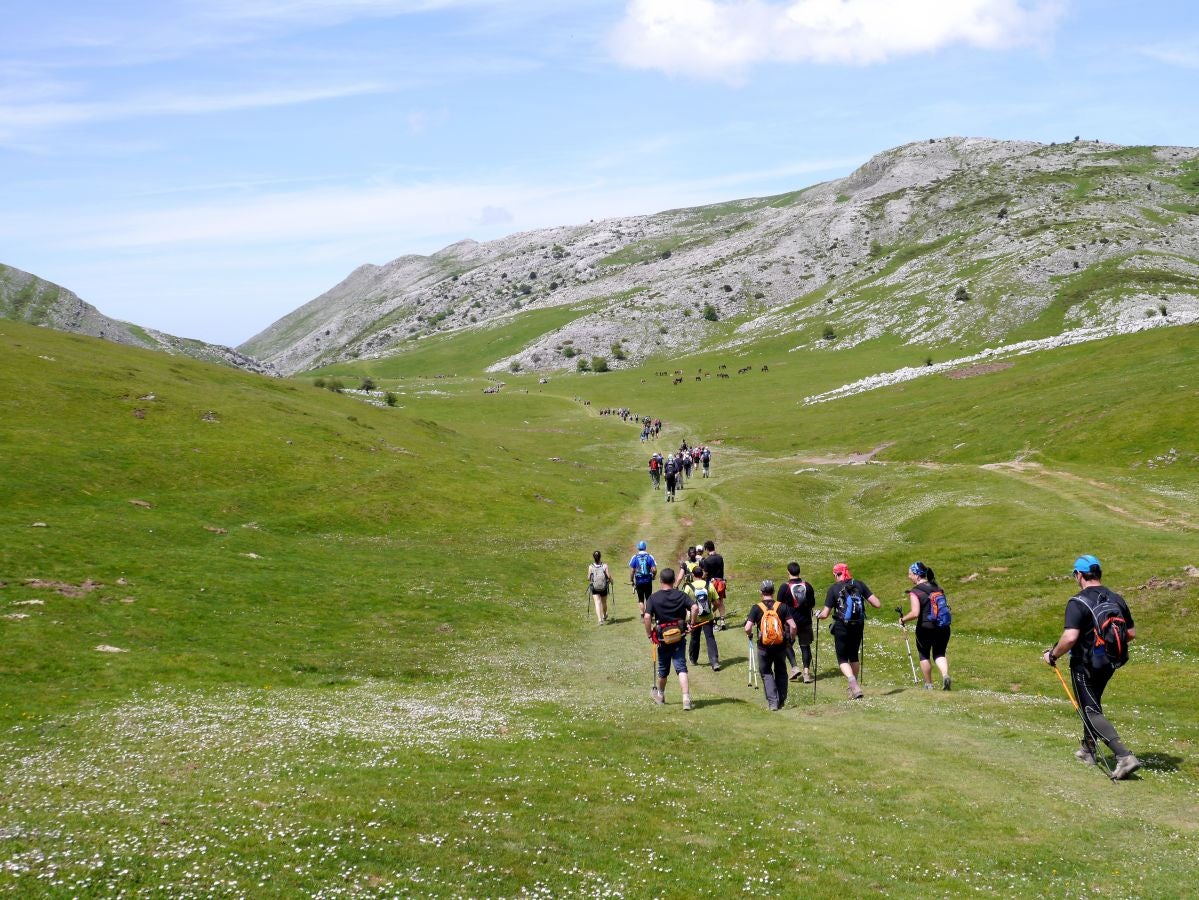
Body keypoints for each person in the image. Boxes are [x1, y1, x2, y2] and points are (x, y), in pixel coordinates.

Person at [1043, 555, 1140, 779]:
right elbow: (1131, 633)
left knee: (1090, 709)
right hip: (1110, 663)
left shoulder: (1078, 602)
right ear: (1099, 574)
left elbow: (1069, 638)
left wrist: (1052, 654)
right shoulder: (1116, 598)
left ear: (1079, 575)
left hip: (1085, 665)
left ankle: (1124, 756)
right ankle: (1088, 750)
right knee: (1092, 703)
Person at [817, 563, 881, 699]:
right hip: (858, 625)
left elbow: (825, 614)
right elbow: (877, 604)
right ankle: (855, 686)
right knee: (853, 655)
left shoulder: (834, 589)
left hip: (842, 626)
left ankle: (853, 683)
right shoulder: (859, 584)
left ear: (836, 574)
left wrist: (818, 615)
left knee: (842, 658)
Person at [645, 568, 698, 710]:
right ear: (674, 580)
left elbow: (647, 617)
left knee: (663, 670)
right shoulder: (681, 595)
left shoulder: (653, 598)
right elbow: (694, 608)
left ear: (661, 581)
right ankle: (686, 699)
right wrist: (691, 624)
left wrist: (650, 634)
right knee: (681, 668)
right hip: (679, 637)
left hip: (663, 639)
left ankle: (660, 695)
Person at [899, 561, 951, 690]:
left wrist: (903, 619)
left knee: (924, 655)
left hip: (926, 627)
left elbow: (915, 613)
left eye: (910, 574)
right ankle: (945, 675)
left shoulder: (916, 591)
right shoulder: (937, 588)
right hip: (943, 627)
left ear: (917, 575)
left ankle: (928, 685)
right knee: (939, 654)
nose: (909, 576)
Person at [745, 580, 796, 710]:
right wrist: (791, 638)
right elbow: (793, 626)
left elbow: (747, 627)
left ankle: (773, 702)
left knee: (766, 672)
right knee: (781, 671)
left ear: (761, 592)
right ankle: (782, 699)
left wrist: (750, 635)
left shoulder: (756, 608)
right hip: (780, 645)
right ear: (773, 592)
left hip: (764, 646)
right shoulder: (782, 606)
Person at [777, 562, 815, 682]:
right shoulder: (807, 586)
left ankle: (794, 667)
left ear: (788, 572)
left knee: (786, 644)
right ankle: (806, 673)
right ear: (799, 572)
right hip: (806, 621)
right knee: (805, 646)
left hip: (790, 622)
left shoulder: (784, 587)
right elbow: (812, 603)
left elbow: (779, 605)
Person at [682, 567, 721, 670]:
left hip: (694, 618)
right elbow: (717, 602)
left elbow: (684, 603)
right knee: (710, 638)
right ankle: (714, 661)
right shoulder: (709, 585)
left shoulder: (688, 587)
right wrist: (712, 610)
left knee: (695, 638)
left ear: (693, 575)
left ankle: (693, 659)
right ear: (702, 574)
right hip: (708, 617)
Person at [700, 540, 727, 629]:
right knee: (721, 602)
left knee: (713, 602)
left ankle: (714, 621)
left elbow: (705, 574)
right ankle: (722, 620)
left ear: (707, 549)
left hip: (712, 583)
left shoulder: (707, 560)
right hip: (721, 582)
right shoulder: (720, 557)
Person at [629, 540, 657, 616]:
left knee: (640, 599)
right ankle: (649, 614)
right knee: (648, 598)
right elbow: (654, 569)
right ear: (645, 547)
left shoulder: (634, 557)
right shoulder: (650, 557)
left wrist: (631, 580)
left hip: (638, 581)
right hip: (648, 580)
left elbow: (632, 571)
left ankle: (642, 615)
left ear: (638, 548)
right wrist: (654, 576)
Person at [588, 550, 612, 625]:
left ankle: (600, 620)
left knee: (597, 602)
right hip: (604, 587)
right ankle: (604, 615)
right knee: (604, 602)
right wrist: (611, 581)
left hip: (595, 587)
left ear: (593, 557)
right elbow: (608, 576)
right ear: (600, 557)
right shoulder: (604, 565)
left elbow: (588, 578)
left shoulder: (591, 566)